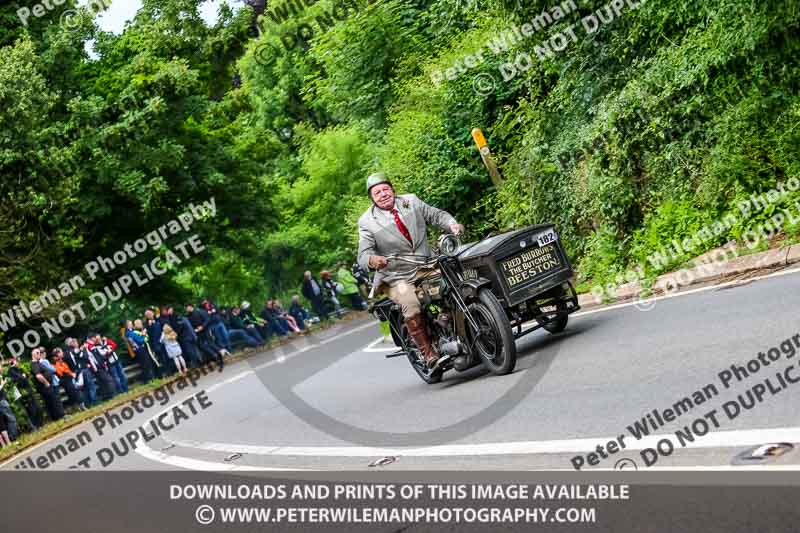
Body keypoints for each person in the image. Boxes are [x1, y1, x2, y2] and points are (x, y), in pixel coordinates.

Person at [357, 172, 463, 368]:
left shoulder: (411, 201)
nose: (383, 194)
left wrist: (451, 224)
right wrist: (373, 260)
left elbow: (436, 215)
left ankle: (446, 321)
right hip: (397, 276)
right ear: (372, 198)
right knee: (410, 302)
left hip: (425, 264)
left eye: (385, 189)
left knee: (454, 283)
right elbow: (363, 255)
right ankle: (428, 352)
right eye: (377, 192)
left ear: (392, 189)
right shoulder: (367, 222)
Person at [5, 357, 42, 431]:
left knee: (36, 407)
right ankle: (34, 426)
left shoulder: (20, 369)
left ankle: (38, 424)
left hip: (28, 390)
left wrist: (23, 377)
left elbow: (26, 376)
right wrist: (23, 377)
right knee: (30, 410)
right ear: (13, 362)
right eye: (16, 362)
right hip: (23, 393)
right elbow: (18, 380)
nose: (18, 363)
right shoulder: (10, 371)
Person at [30, 348, 64, 422]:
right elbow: (38, 376)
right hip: (45, 387)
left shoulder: (38, 363)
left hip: (48, 386)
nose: (40, 354)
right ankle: (58, 418)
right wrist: (46, 383)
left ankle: (58, 417)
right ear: (34, 355)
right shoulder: (34, 364)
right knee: (52, 402)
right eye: (38, 353)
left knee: (53, 401)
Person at [144, 309, 169, 378]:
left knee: (167, 356)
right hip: (155, 344)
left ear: (152, 313)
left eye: (150, 313)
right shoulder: (147, 324)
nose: (149, 315)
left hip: (163, 341)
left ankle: (170, 370)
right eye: (147, 315)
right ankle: (165, 372)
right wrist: (149, 326)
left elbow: (165, 326)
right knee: (161, 358)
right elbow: (148, 335)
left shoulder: (158, 319)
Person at [0, 362, 19, 440]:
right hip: (1, 401)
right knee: (11, 418)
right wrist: (3, 384)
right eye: (0, 366)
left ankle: (12, 437)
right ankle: (13, 437)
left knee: (8, 419)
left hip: (3, 399)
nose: (1, 368)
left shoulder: (1, 376)